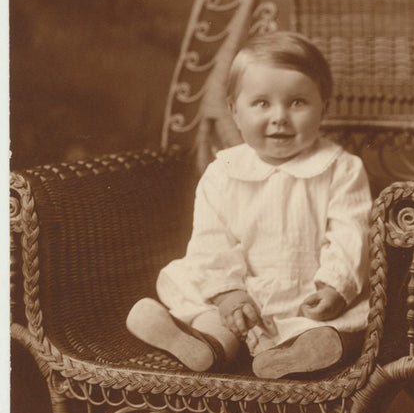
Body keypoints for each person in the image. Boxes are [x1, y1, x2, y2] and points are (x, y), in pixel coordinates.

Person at [127, 31, 372, 379]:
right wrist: (228, 294)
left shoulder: (341, 169)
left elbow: (351, 235)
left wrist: (334, 286)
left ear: (324, 108)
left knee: (336, 327)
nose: (280, 117)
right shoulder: (223, 171)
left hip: (305, 295)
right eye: (261, 103)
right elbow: (211, 240)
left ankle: (296, 354)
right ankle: (205, 344)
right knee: (206, 302)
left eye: (297, 103)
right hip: (238, 294)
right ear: (234, 111)